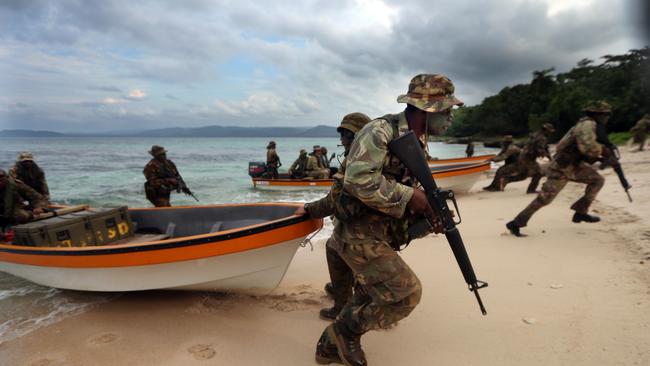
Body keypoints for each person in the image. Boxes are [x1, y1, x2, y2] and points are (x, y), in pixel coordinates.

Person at [312, 74, 460, 366]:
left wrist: (430, 212)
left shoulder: (417, 141)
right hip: (356, 232)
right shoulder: (379, 131)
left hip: (381, 231)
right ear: (427, 109)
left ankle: (331, 346)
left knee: (372, 290)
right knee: (406, 294)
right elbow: (358, 181)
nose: (451, 117)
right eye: (447, 110)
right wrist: (411, 197)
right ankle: (342, 333)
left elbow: (407, 185)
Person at [295, 112, 372, 322]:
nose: (341, 140)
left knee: (335, 248)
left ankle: (341, 305)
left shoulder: (358, 162)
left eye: (344, 135)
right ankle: (346, 290)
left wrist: (309, 209)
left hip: (363, 229)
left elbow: (334, 202)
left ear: (354, 136)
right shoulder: (373, 156)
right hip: (376, 225)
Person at [506, 101, 612, 237]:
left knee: (597, 180)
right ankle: (516, 223)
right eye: (606, 114)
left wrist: (599, 157)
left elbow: (578, 149)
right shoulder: (587, 125)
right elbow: (587, 147)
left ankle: (581, 212)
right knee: (544, 199)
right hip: (562, 168)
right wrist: (603, 150)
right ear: (598, 114)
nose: (607, 117)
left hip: (573, 166)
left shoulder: (586, 124)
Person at [500, 123, 555, 193]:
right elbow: (540, 149)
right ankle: (531, 190)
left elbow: (543, 148)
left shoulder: (535, 135)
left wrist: (547, 155)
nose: (550, 133)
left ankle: (506, 179)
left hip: (523, 156)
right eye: (549, 131)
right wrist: (547, 156)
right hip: (528, 158)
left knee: (523, 175)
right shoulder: (542, 138)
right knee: (538, 173)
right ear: (546, 130)